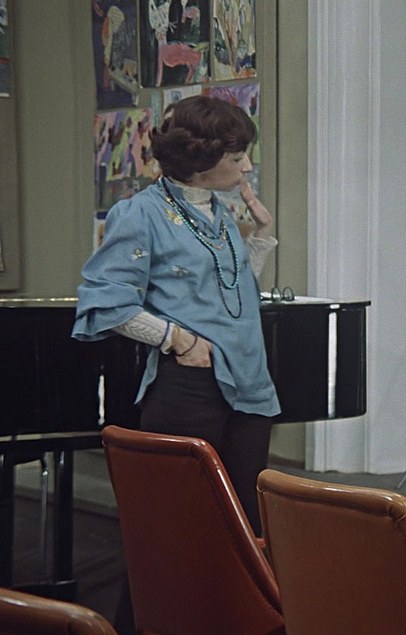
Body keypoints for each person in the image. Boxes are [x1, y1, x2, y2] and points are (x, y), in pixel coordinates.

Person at [73, 95, 279, 534]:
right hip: (190, 388)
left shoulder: (219, 212)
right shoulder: (141, 213)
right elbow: (105, 303)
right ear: (201, 161)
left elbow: (231, 290)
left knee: (247, 526)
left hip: (250, 382)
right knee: (179, 524)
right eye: (237, 158)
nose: (246, 168)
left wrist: (261, 236)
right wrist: (178, 339)